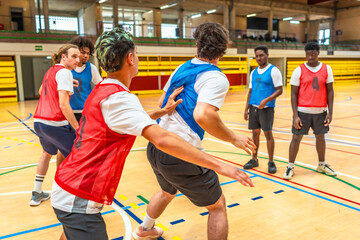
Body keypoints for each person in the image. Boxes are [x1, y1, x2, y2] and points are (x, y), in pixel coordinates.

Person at [50, 27, 255, 240]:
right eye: (136, 54)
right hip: (79, 194)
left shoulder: (104, 89)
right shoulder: (120, 98)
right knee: (216, 204)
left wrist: (161, 111)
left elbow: (123, 117)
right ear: (130, 58)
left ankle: (146, 228)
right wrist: (221, 165)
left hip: (68, 185)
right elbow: (163, 138)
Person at [133, 22, 256, 240]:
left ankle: (145, 229)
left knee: (167, 191)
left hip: (156, 146)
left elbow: (162, 104)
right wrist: (234, 138)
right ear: (223, 49)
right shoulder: (215, 77)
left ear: (197, 44)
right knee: (217, 206)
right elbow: (203, 115)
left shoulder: (181, 68)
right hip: (181, 152)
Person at [30, 44, 80, 206]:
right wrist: (77, 128)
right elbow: (64, 105)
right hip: (55, 123)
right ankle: (67, 196)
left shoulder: (51, 71)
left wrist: (66, 84)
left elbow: (41, 91)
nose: (77, 60)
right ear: (63, 57)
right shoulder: (65, 72)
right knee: (77, 158)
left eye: (79, 57)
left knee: (46, 153)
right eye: (74, 56)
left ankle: (37, 193)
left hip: (39, 122)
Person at [283, 41, 336, 180]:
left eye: (313, 54)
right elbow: (293, 93)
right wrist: (295, 115)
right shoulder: (299, 70)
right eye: (308, 54)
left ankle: (321, 164)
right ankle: (290, 167)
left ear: (318, 53)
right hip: (302, 111)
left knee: (321, 137)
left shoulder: (327, 69)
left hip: (320, 111)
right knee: (296, 138)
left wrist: (330, 112)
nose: (310, 57)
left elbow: (330, 91)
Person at [243, 45, 283, 174]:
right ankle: (254, 159)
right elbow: (250, 91)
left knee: (268, 135)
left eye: (261, 55)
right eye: (257, 56)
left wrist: (266, 100)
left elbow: (279, 90)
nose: (259, 58)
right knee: (255, 135)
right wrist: (246, 108)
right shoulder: (254, 72)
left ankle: (271, 162)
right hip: (253, 108)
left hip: (266, 109)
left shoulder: (274, 70)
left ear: (267, 55)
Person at [69, 37, 103, 122]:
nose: (86, 56)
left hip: (86, 111)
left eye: (88, 53)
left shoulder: (91, 68)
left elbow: (101, 86)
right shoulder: (67, 68)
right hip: (68, 111)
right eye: (83, 52)